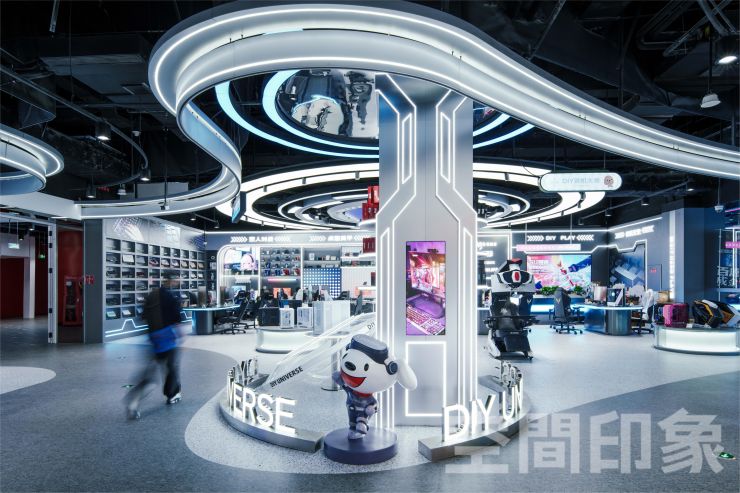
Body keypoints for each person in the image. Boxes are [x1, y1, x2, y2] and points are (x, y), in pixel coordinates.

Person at [124, 272, 183, 420]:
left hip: (153, 339)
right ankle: (172, 395)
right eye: (177, 279)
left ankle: (134, 401)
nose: (178, 281)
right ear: (172, 280)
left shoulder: (152, 295)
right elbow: (177, 321)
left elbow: (143, 316)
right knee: (171, 368)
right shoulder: (171, 298)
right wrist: (181, 336)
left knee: (150, 374)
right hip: (167, 340)